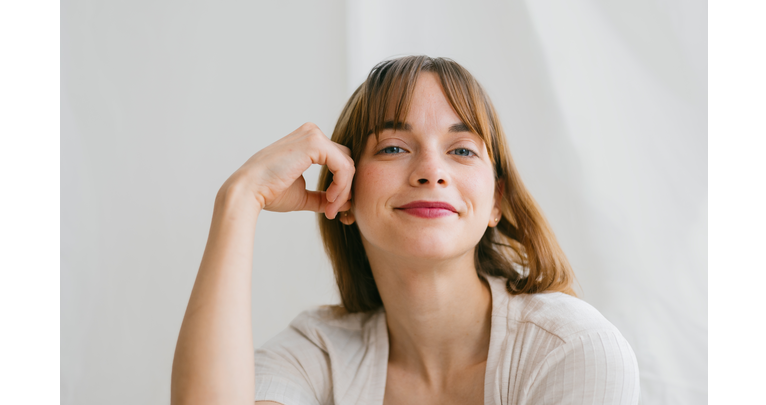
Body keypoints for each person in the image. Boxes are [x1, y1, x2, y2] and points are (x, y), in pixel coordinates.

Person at [171, 56, 640, 405]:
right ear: (345, 193)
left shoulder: (572, 350)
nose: (431, 171)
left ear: (496, 201)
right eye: (394, 148)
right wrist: (240, 198)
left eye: (462, 151)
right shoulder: (318, 354)